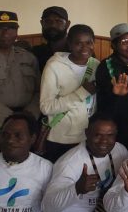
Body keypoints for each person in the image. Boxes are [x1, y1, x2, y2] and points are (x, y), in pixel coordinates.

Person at [42, 114, 128, 212]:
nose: (104, 141)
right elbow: (48, 205)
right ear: (87, 133)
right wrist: (76, 189)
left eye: (110, 135)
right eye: (98, 135)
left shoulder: (120, 151)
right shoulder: (69, 162)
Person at [0, 113, 52, 212]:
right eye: (5, 135)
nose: (10, 140)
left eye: (18, 135)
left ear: (32, 138)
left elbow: (53, 208)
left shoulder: (45, 168)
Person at [0, 11, 40, 157]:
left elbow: (39, 91)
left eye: (11, 28)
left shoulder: (28, 57)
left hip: (25, 130)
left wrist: (28, 118)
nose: (6, 33)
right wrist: (13, 120)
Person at [39, 24, 99, 162]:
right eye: (78, 43)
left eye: (88, 42)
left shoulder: (96, 65)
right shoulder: (54, 66)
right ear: (70, 44)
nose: (84, 48)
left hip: (89, 136)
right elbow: (46, 107)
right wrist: (81, 93)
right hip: (62, 138)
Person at [95, 23, 128, 154]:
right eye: (125, 41)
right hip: (117, 127)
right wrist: (115, 94)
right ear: (114, 45)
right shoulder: (108, 65)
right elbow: (106, 96)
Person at [31, 6, 71, 72]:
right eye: (48, 21)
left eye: (58, 21)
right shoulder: (36, 54)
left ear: (67, 24)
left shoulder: (79, 51)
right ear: (41, 23)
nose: (53, 25)